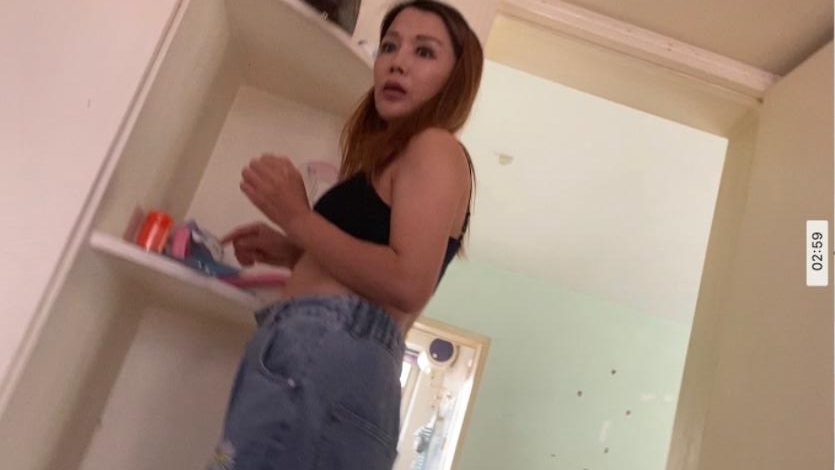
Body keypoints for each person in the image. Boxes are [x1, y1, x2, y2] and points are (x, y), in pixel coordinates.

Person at [208, 1, 483, 469]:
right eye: (389, 46)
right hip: (329, 358)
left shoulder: (435, 146)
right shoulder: (397, 158)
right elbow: (373, 270)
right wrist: (295, 253)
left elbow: (407, 282)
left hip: (327, 355)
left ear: (455, 79)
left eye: (424, 52)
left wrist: (298, 218)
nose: (397, 61)